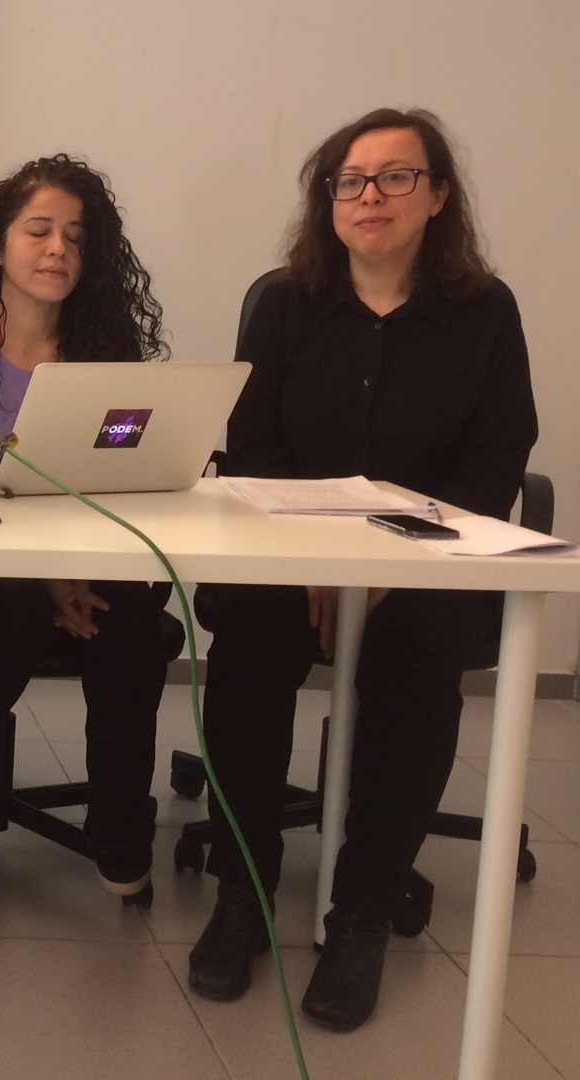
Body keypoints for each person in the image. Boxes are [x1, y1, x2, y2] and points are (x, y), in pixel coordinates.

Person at [187, 108, 538, 1030]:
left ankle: (362, 913)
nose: (369, 196)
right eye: (350, 180)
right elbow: (252, 447)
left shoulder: (485, 312)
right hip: (288, 553)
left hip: (421, 563)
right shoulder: (283, 304)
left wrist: (389, 557)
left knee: (420, 657)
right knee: (248, 645)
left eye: (395, 176)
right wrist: (316, 556)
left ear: (438, 196)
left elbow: (495, 459)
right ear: (328, 200)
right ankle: (243, 891)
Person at [0, 156, 173, 901]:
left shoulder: (105, 353)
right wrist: (50, 574)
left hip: (82, 554)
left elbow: (117, 478)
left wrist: (71, 564)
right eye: (40, 231)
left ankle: (120, 830)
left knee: (133, 624)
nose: (59, 249)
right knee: (14, 613)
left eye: (76, 238)